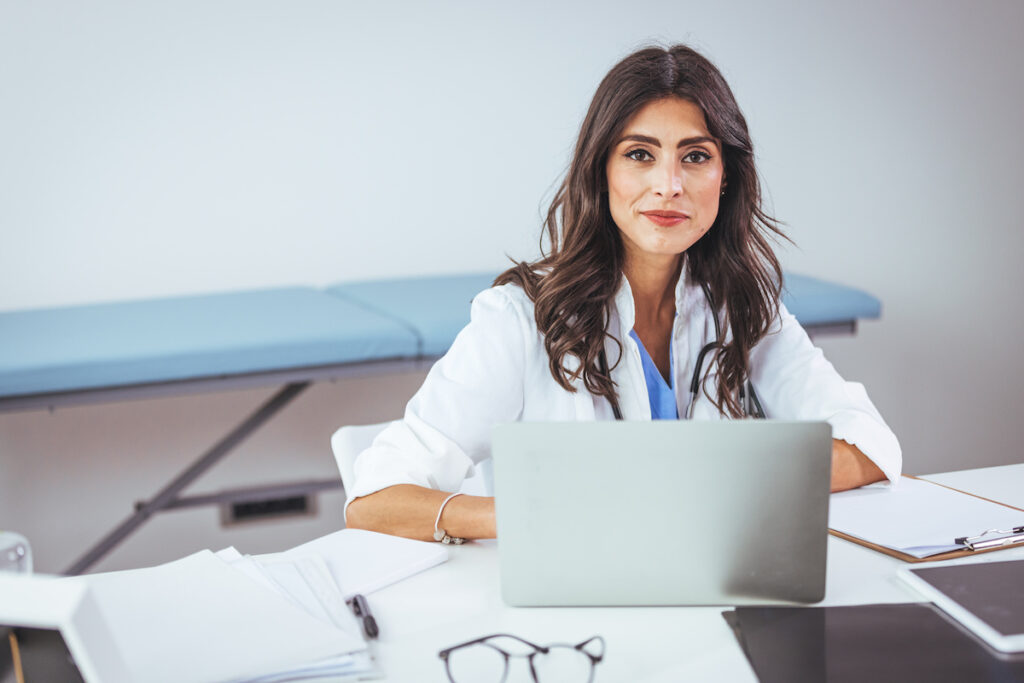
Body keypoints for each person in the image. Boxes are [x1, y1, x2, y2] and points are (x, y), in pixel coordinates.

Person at [344, 44, 901, 542]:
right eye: (639, 154)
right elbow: (372, 500)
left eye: (695, 156)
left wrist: (724, 478)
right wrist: (523, 516)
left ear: (726, 176)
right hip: (571, 611)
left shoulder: (743, 309)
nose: (669, 185)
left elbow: (872, 446)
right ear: (601, 170)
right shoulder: (519, 320)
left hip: (715, 595)